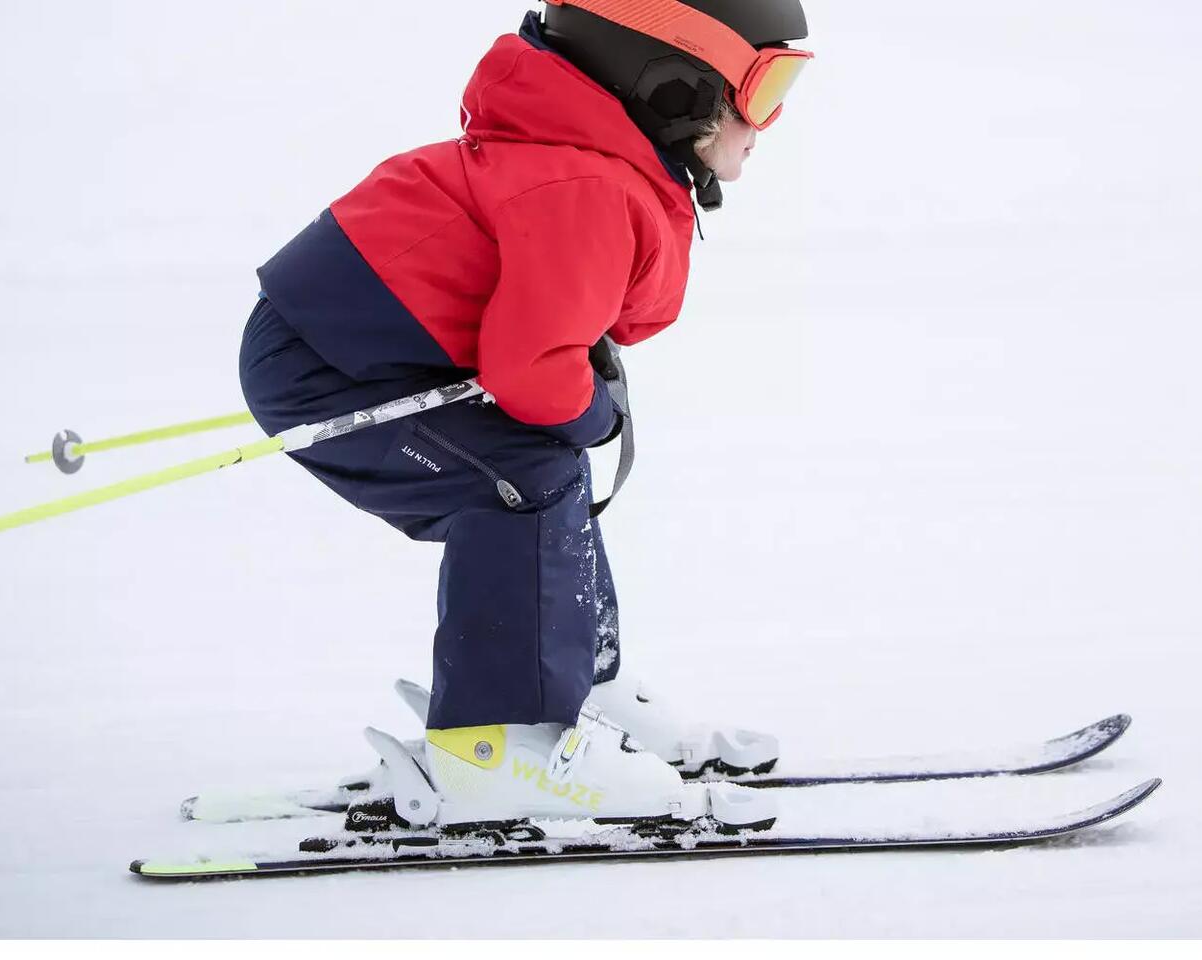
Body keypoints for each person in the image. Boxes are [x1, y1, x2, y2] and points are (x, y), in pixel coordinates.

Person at [237, 0, 813, 827]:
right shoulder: (586, 185)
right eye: (762, 89)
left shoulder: (593, 167)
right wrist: (593, 415)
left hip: (358, 351)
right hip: (323, 371)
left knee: (546, 472)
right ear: (674, 88)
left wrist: (579, 405)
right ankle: (495, 743)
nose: (770, 123)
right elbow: (531, 371)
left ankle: (582, 688)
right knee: (523, 478)